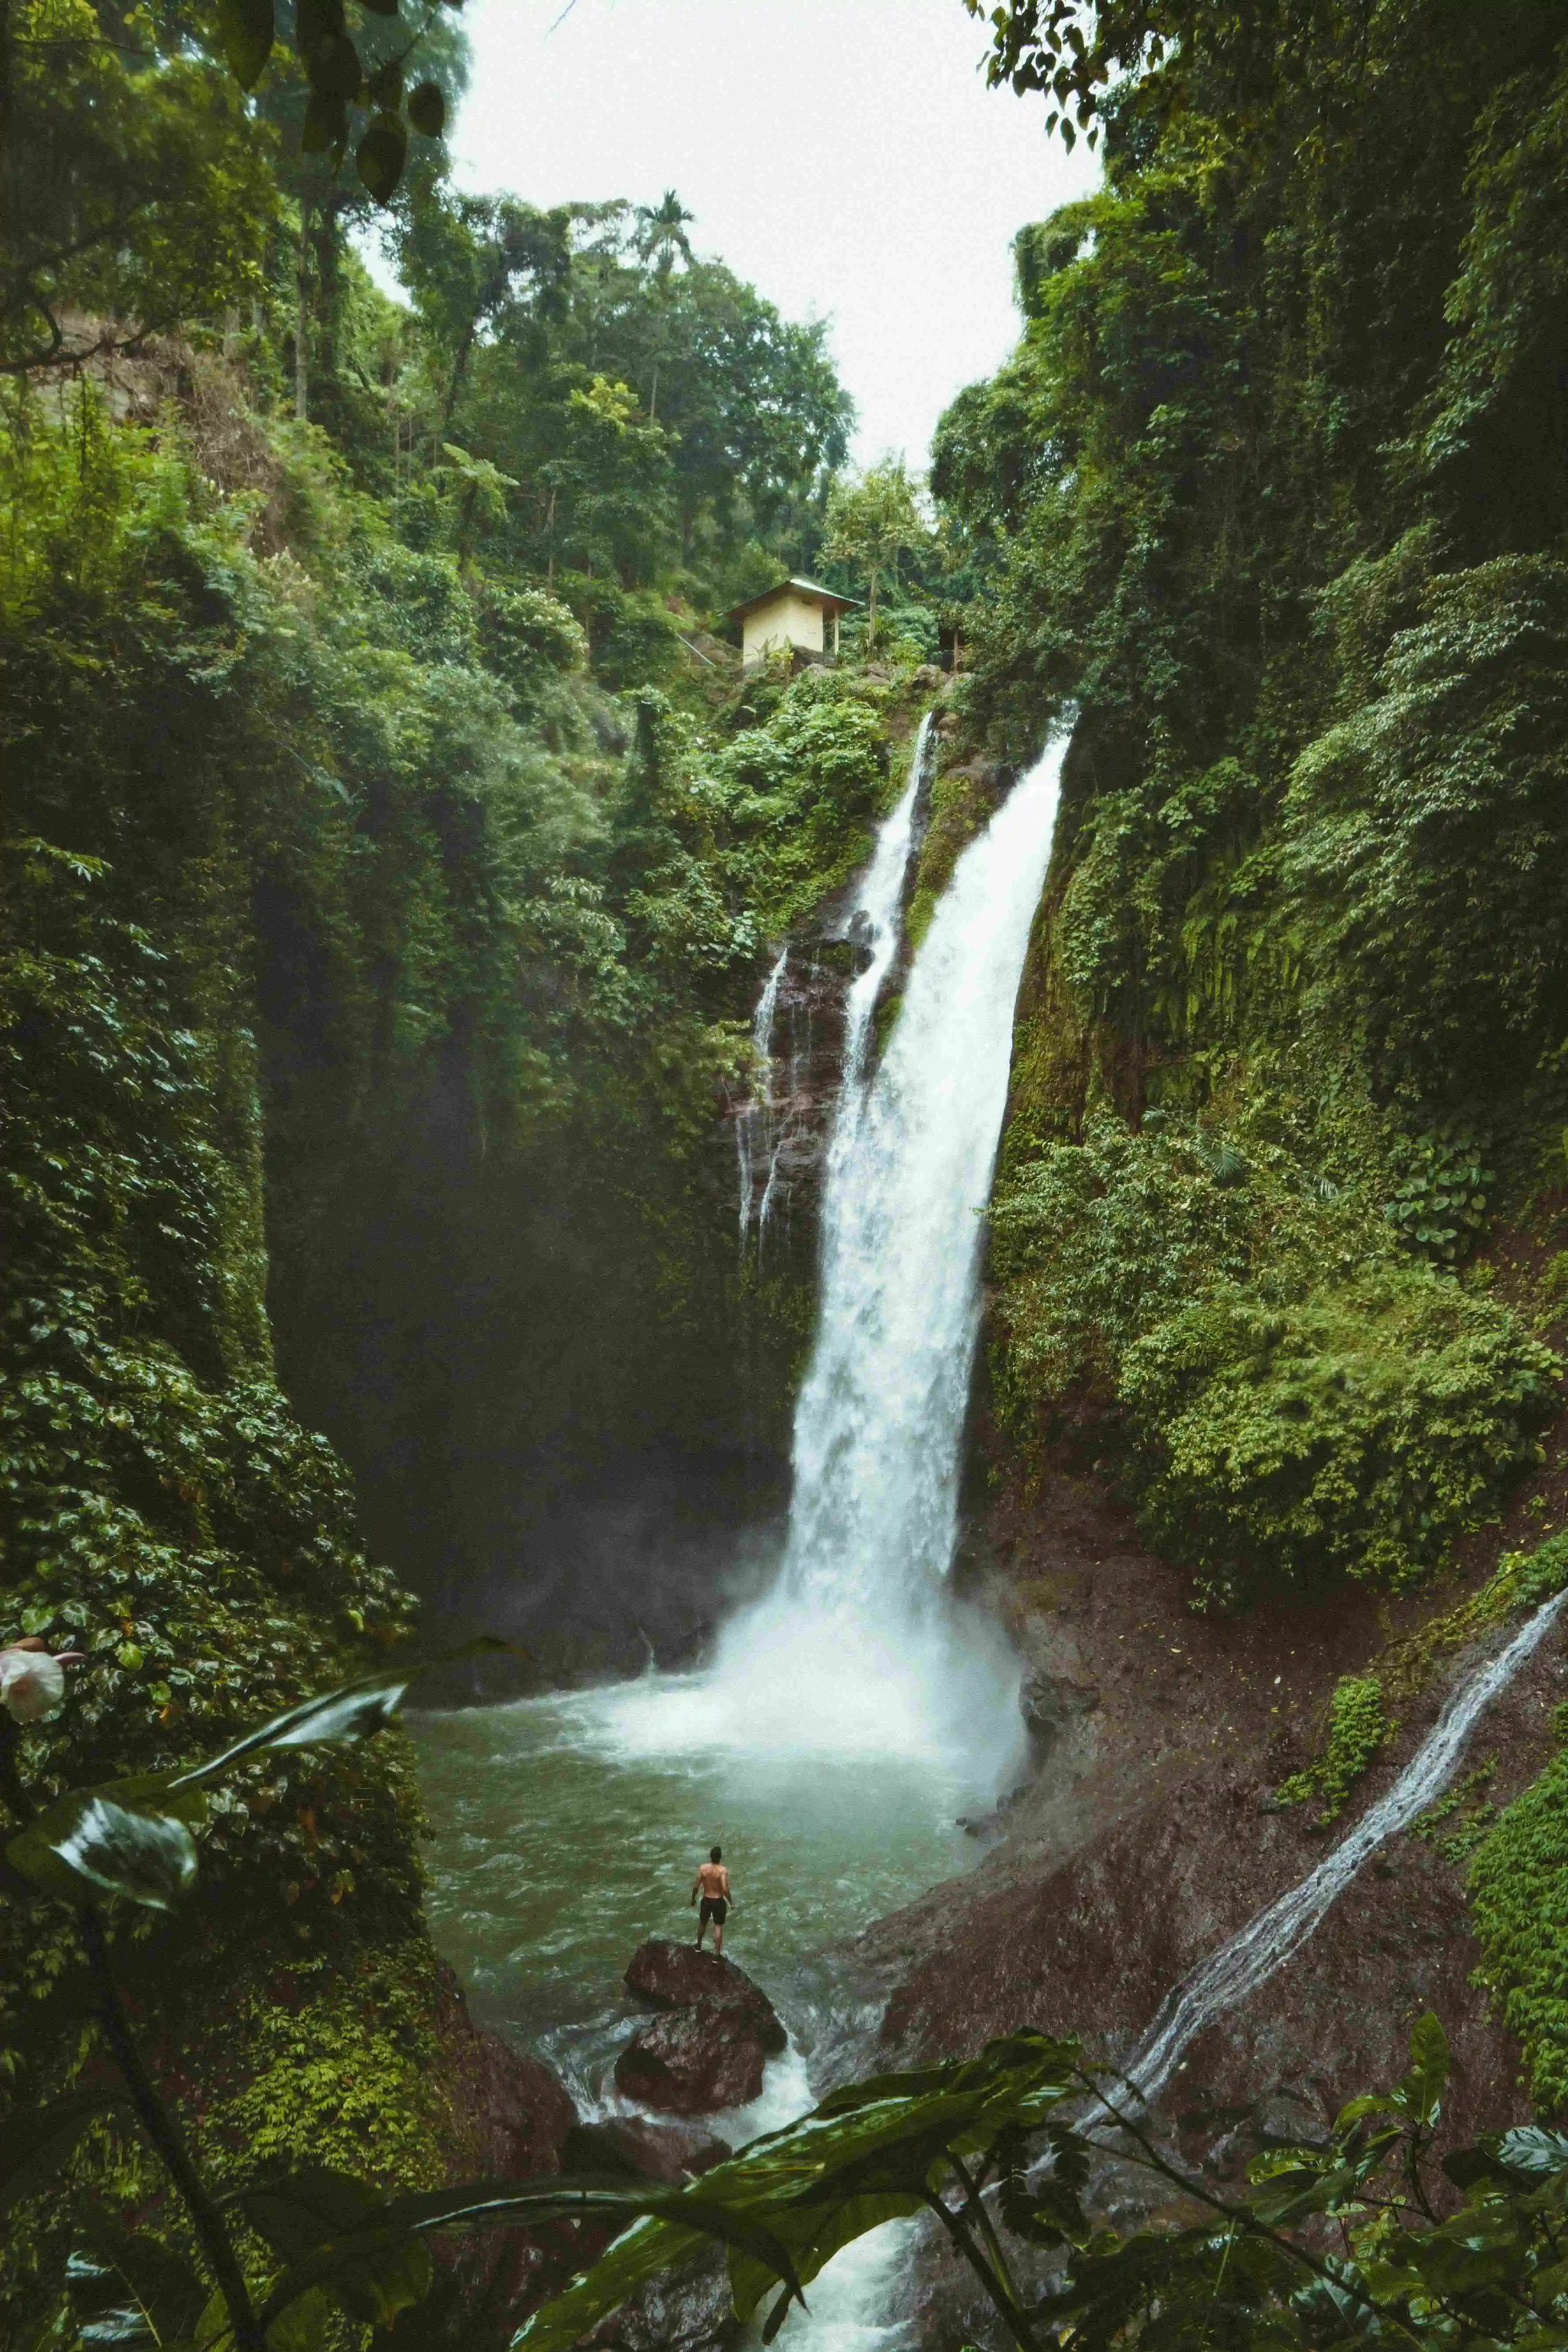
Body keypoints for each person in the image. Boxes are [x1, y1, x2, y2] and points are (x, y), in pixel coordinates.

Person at [690, 1843, 732, 1954]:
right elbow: (725, 1888)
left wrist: (693, 1899)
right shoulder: (723, 1870)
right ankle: (717, 1954)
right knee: (718, 1927)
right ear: (720, 1857)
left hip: (707, 1899)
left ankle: (698, 1946)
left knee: (703, 1923)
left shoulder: (703, 1868)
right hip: (718, 1901)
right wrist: (731, 1902)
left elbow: (696, 1886)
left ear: (711, 1856)